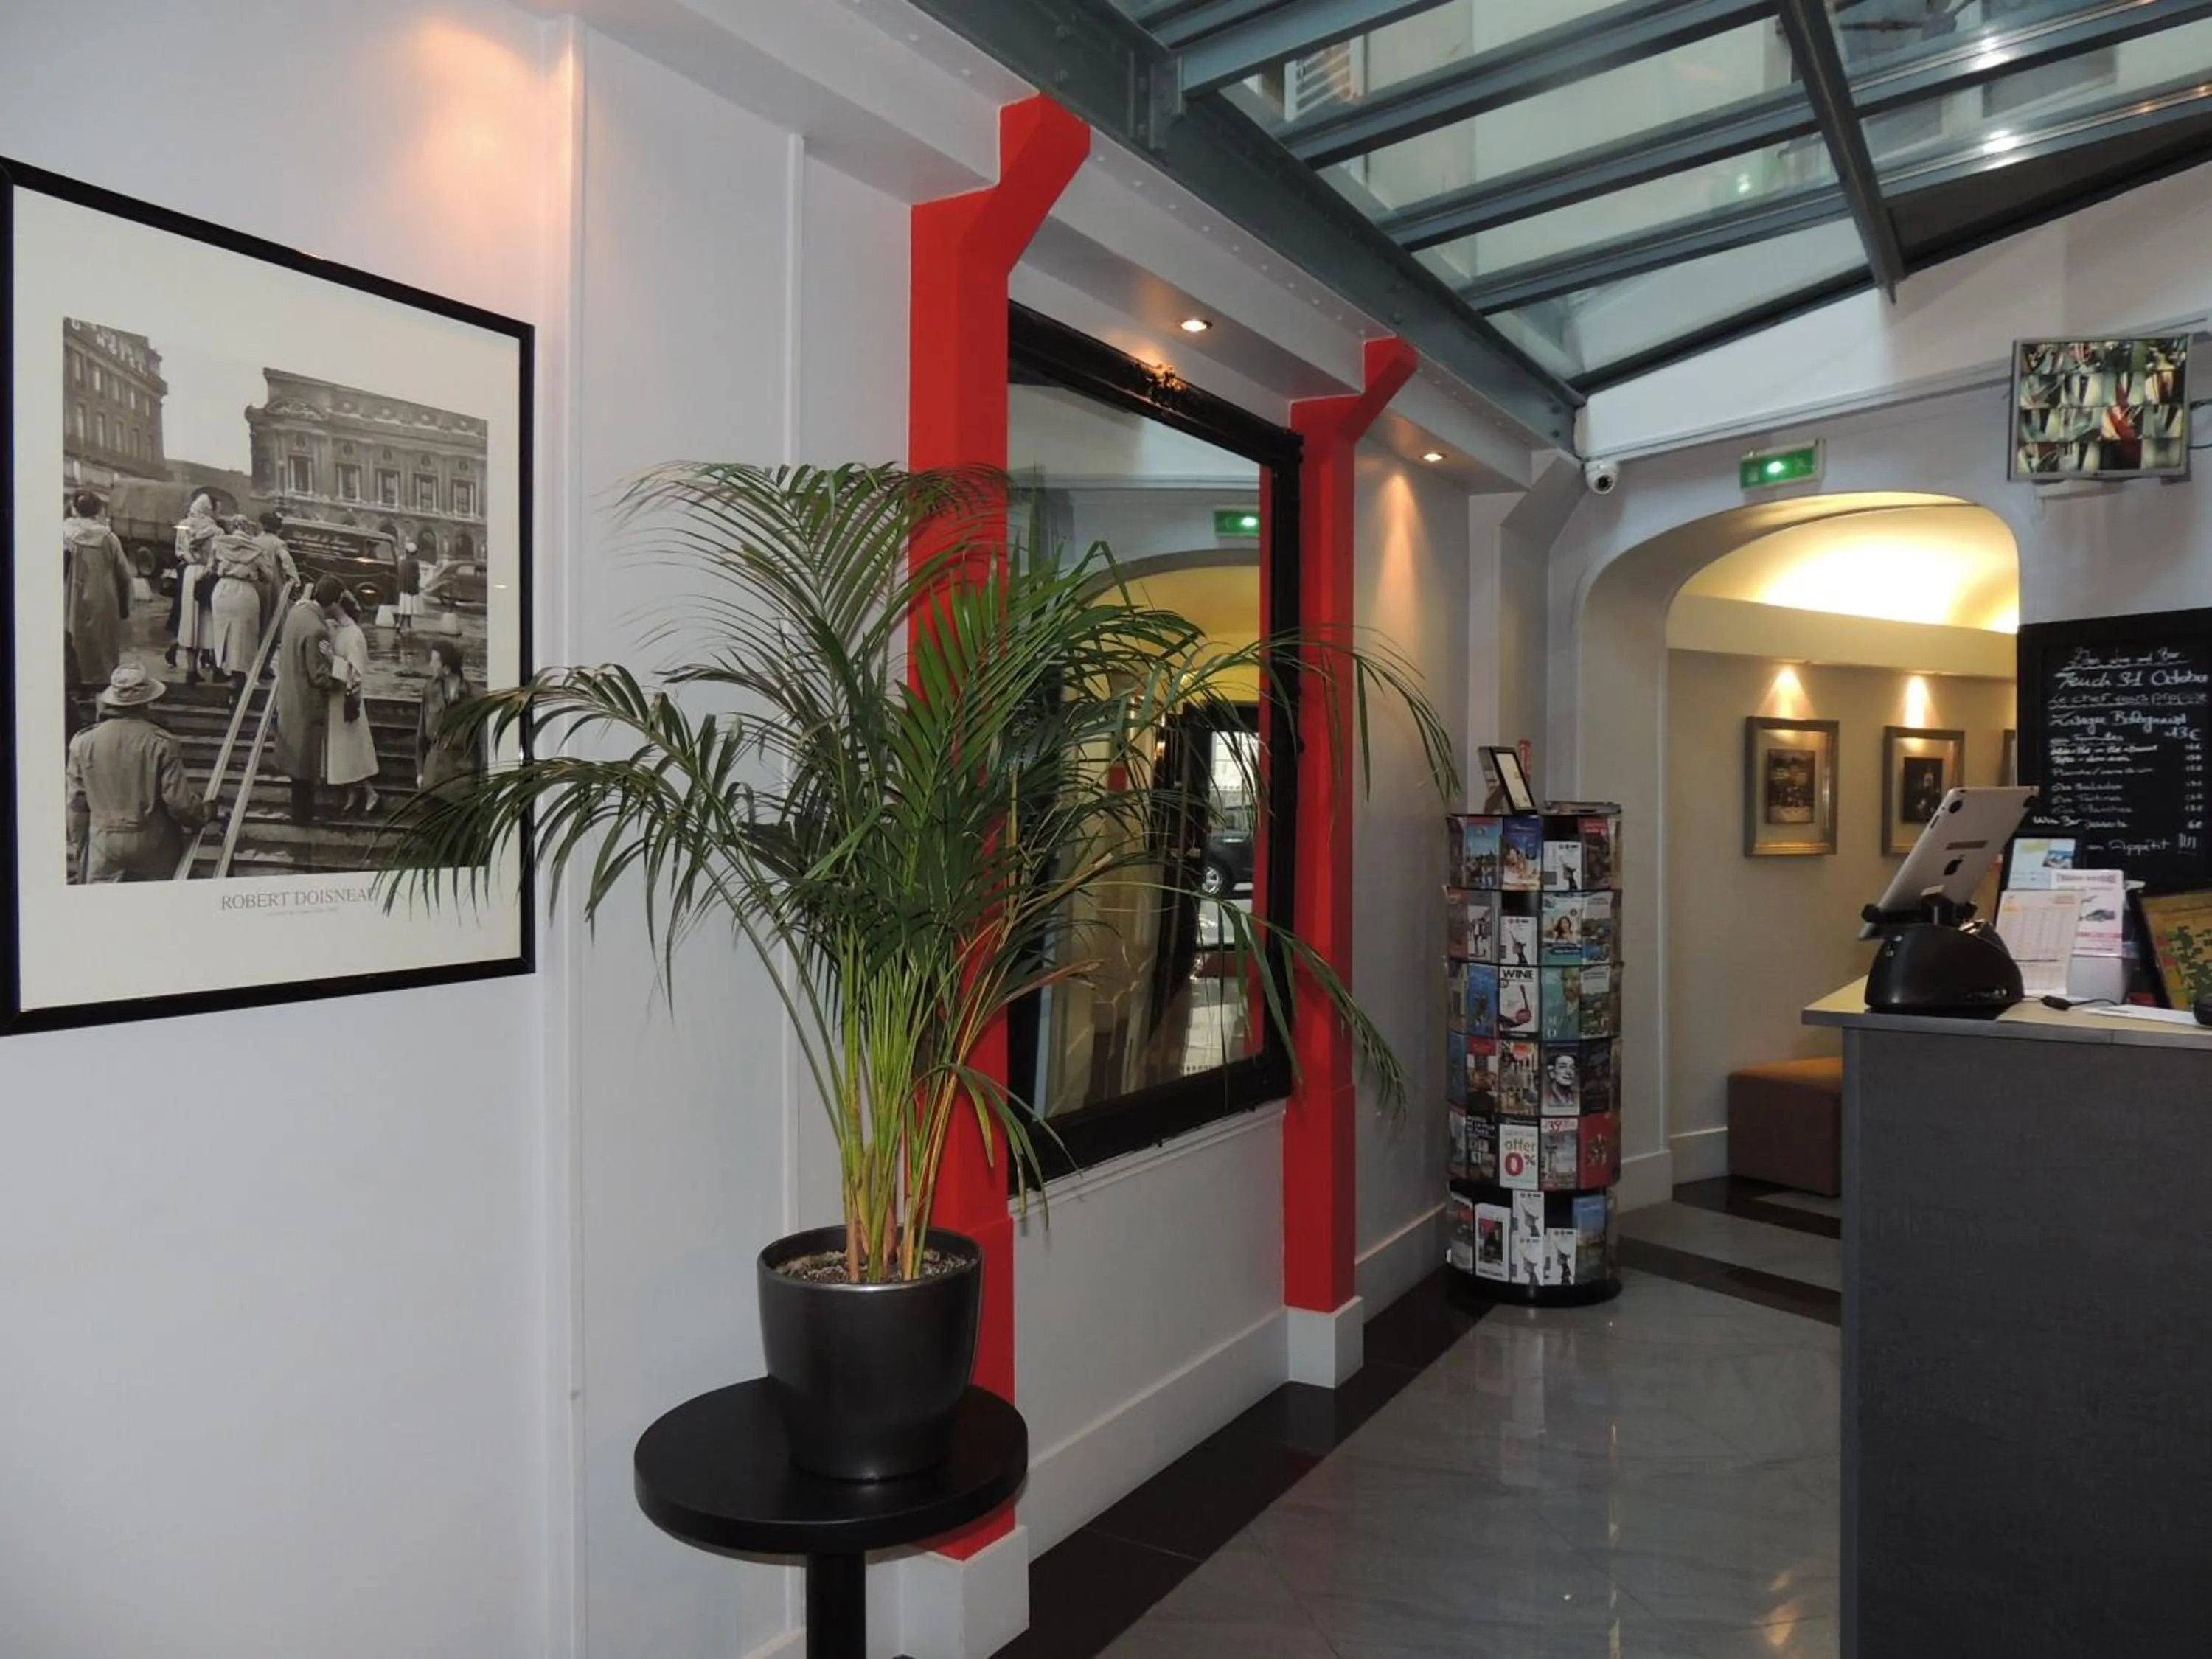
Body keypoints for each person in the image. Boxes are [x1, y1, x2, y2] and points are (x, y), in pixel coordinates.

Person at [66, 660, 208, 883]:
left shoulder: (83, 742)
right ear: (147, 703)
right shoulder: (162, 742)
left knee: (102, 911)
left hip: (103, 841)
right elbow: (179, 803)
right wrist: (202, 814)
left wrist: (79, 845)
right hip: (153, 842)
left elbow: (76, 804)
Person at [274, 577, 344, 825]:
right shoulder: (318, 630)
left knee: (296, 765)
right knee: (306, 765)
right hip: (307, 705)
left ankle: (299, 813)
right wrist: (341, 682)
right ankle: (303, 817)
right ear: (335, 602)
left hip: (289, 697)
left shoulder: (297, 613)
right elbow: (319, 675)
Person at [63, 490, 133, 695]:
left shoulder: (63, 533)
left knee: (75, 640)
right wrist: (125, 606)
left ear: (74, 508)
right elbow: (124, 574)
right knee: (103, 643)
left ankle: (75, 685)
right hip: (104, 597)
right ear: (97, 510)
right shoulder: (108, 537)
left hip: (71, 597)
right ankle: (103, 687)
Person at [324, 592, 380, 815]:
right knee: (343, 751)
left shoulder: (355, 635)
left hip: (349, 701)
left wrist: (331, 659)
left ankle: (370, 793)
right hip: (336, 699)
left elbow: (356, 674)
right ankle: (353, 793)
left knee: (353, 750)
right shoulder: (335, 629)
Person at [417, 635, 483, 793]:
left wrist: (481, 782)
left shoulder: (474, 697)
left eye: (434, 661)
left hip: (460, 781)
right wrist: (420, 772)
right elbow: (421, 735)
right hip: (432, 779)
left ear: (446, 669)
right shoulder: (430, 690)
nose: (431, 665)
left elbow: (481, 745)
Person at [207, 515, 265, 686]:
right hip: (245, 591)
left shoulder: (219, 544)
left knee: (220, 630)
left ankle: (218, 667)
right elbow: (267, 576)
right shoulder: (256, 549)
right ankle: (238, 676)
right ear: (248, 528)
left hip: (223, 589)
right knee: (243, 637)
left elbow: (211, 568)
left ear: (232, 527)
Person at [169, 491, 220, 681]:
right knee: (210, 620)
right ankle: (216, 668)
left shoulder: (183, 526)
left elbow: (178, 552)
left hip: (189, 574)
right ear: (208, 509)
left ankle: (191, 669)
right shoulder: (214, 529)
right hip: (207, 575)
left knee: (190, 621)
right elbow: (216, 557)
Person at [251, 512, 299, 641]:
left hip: (255, 584)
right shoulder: (278, 543)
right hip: (273, 586)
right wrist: (294, 580)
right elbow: (287, 561)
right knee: (272, 616)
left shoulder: (253, 541)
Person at [395, 540, 422, 635]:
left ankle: (399, 624)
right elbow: (417, 576)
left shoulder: (403, 562)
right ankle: (408, 625)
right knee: (409, 608)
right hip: (411, 589)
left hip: (403, 588)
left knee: (403, 608)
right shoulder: (415, 563)